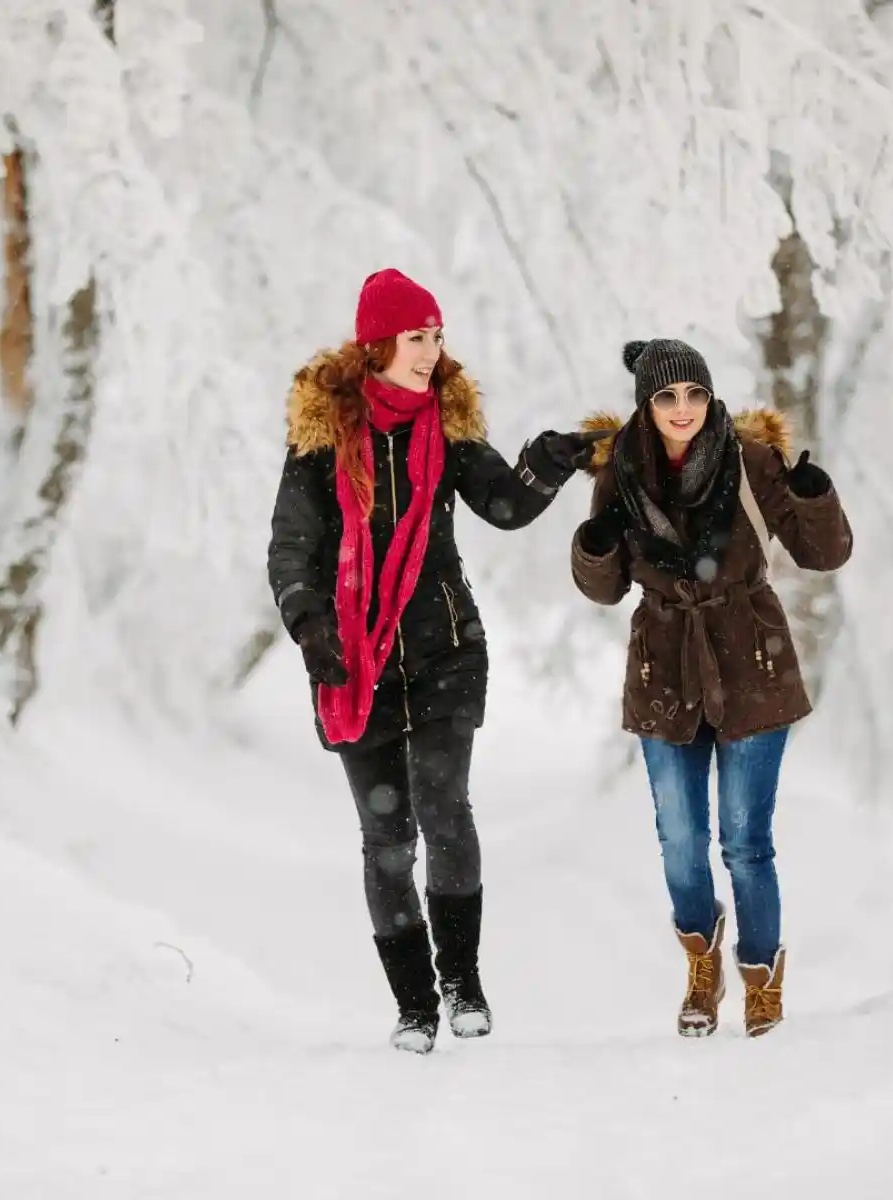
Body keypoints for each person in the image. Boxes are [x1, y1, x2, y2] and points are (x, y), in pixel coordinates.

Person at [267, 268, 597, 1053]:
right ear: (379, 343)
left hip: (445, 652)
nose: (431, 350)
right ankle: (415, 1006)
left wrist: (547, 462)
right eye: (417, 336)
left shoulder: (445, 430)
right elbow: (291, 546)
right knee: (387, 837)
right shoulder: (321, 442)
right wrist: (310, 624)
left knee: (446, 812)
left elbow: (507, 507)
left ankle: (463, 984)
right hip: (354, 664)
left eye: (437, 335)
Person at [570, 339, 853, 1038]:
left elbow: (826, 554)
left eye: (694, 394)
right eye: (667, 397)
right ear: (646, 404)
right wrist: (596, 544)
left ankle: (761, 977)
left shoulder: (750, 462)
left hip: (751, 664)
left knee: (746, 842)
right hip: (664, 668)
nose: (683, 409)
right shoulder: (623, 474)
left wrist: (814, 500)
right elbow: (603, 591)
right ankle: (703, 960)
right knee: (679, 839)